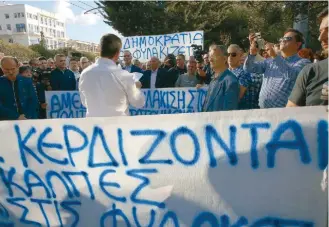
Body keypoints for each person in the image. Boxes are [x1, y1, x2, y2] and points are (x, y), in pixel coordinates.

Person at [79, 33, 145, 117]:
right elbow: (138, 103)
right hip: (118, 127)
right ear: (117, 53)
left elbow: (85, 102)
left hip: (94, 127)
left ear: (100, 50)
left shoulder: (85, 73)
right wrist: (137, 87)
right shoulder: (124, 76)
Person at [244, 28, 311, 108]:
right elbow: (248, 68)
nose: (283, 40)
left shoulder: (304, 63)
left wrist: (275, 56)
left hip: (283, 115)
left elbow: (291, 75)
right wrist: (252, 53)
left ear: (298, 44)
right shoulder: (270, 61)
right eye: (282, 38)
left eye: (288, 38)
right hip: (263, 112)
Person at [287, 8, 328, 107]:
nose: (320, 38)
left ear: (298, 44)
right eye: (320, 31)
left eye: (328, 30)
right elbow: (290, 116)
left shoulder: (304, 63)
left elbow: (289, 72)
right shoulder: (311, 71)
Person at [202, 45, 239, 112]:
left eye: (213, 56)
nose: (210, 59)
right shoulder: (213, 80)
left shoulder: (231, 82)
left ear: (224, 59)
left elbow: (228, 113)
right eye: (210, 56)